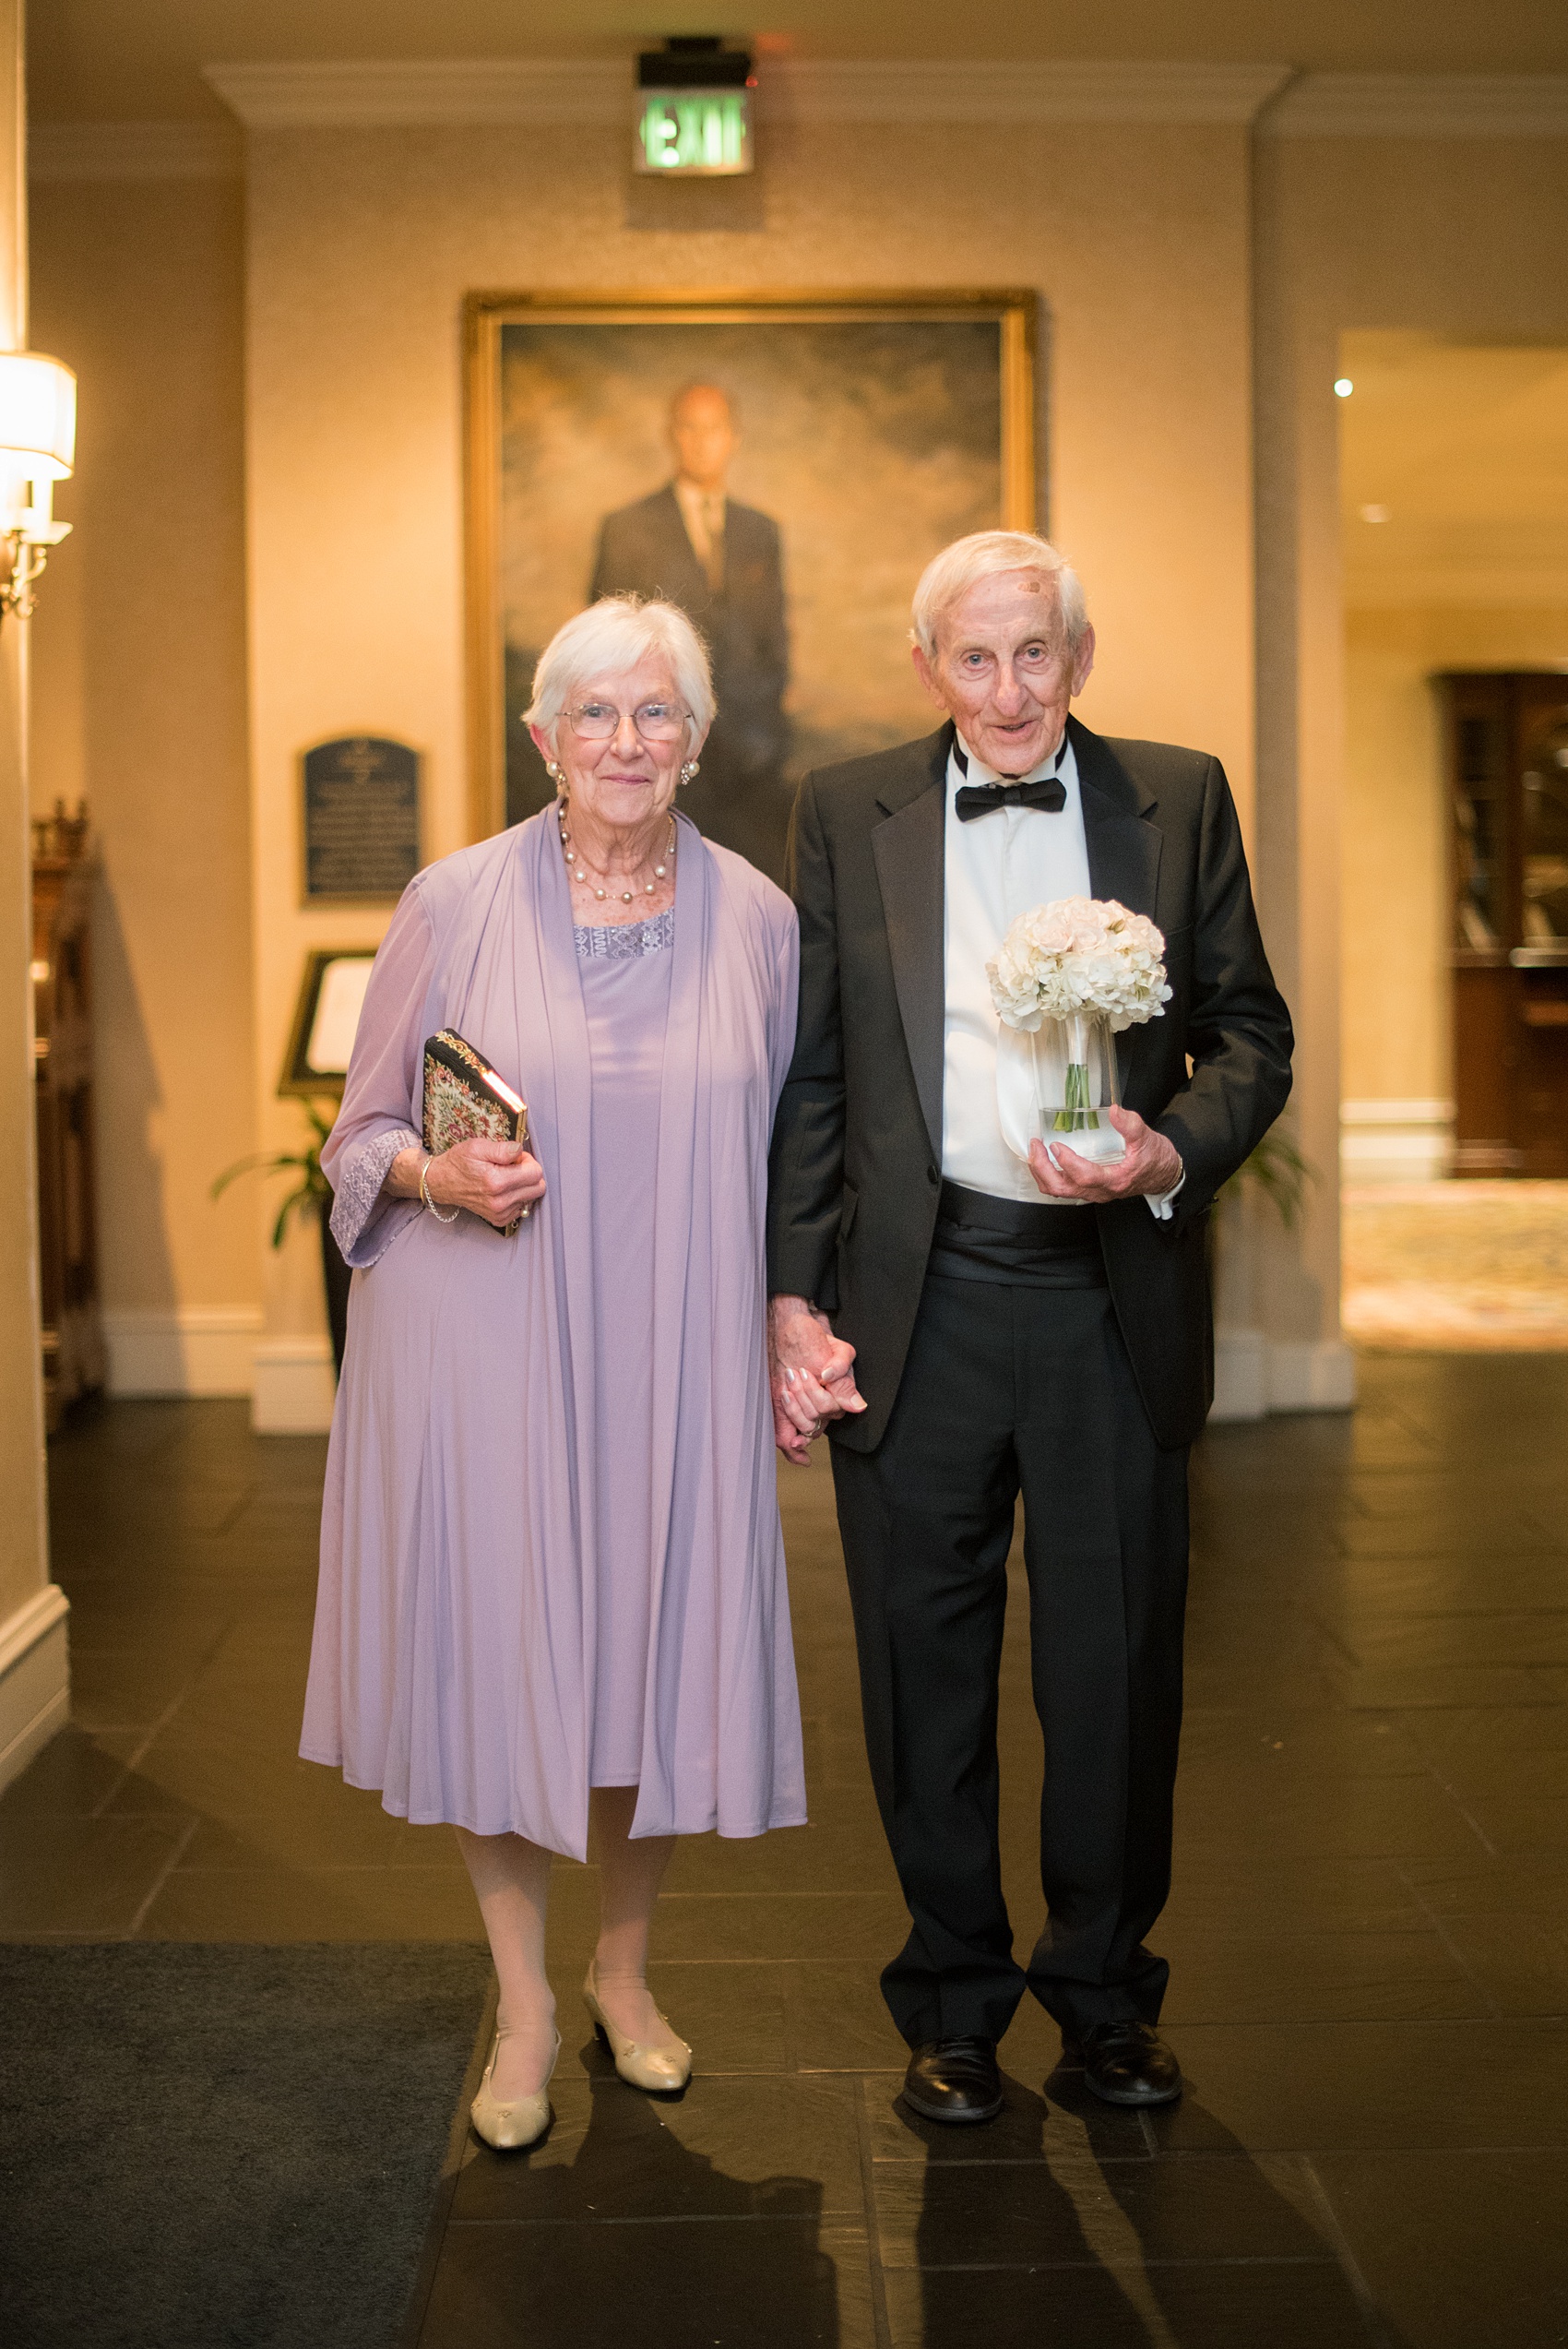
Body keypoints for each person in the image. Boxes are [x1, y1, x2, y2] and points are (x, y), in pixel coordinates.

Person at [766, 531, 1293, 2125]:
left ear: (1082, 657)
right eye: (974, 658)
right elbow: (816, 1076)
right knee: (925, 1668)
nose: (1008, 690)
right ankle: (952, 2001)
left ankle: (1107, 1998)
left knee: (1116, 1662)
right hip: (912, 1307)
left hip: (1105, 1296)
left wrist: (1170, 1146)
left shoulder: (1180, 795)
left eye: (1036, 654)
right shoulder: (843, 809)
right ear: (929, 668)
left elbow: (1251, 1036)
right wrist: (790, 1294)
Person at [302, 596, 806, 2151]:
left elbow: (789, 1154)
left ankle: (625, 1975)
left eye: (655, 714)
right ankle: (521, 2000)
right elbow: (360, 1133)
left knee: (647, 1656)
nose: (626, 743)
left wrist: (789, 1320)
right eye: (594, 714)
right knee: (501, 1651)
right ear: (543, 738)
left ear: (698, 740)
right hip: (487, 1338)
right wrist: (438, 1182)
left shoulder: (765, 922)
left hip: (672, 1344)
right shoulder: (452, 901)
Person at [590, 382, 790, 884]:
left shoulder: (760, 531)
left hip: (752, 763)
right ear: (670, 435)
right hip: (659, 755)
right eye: (689, 427)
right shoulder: (627, 528)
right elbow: (603, 655)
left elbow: (774, 642)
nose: (702, 441)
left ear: (734, 437)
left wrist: (765, 733)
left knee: (749, 906)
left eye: (715, 428)